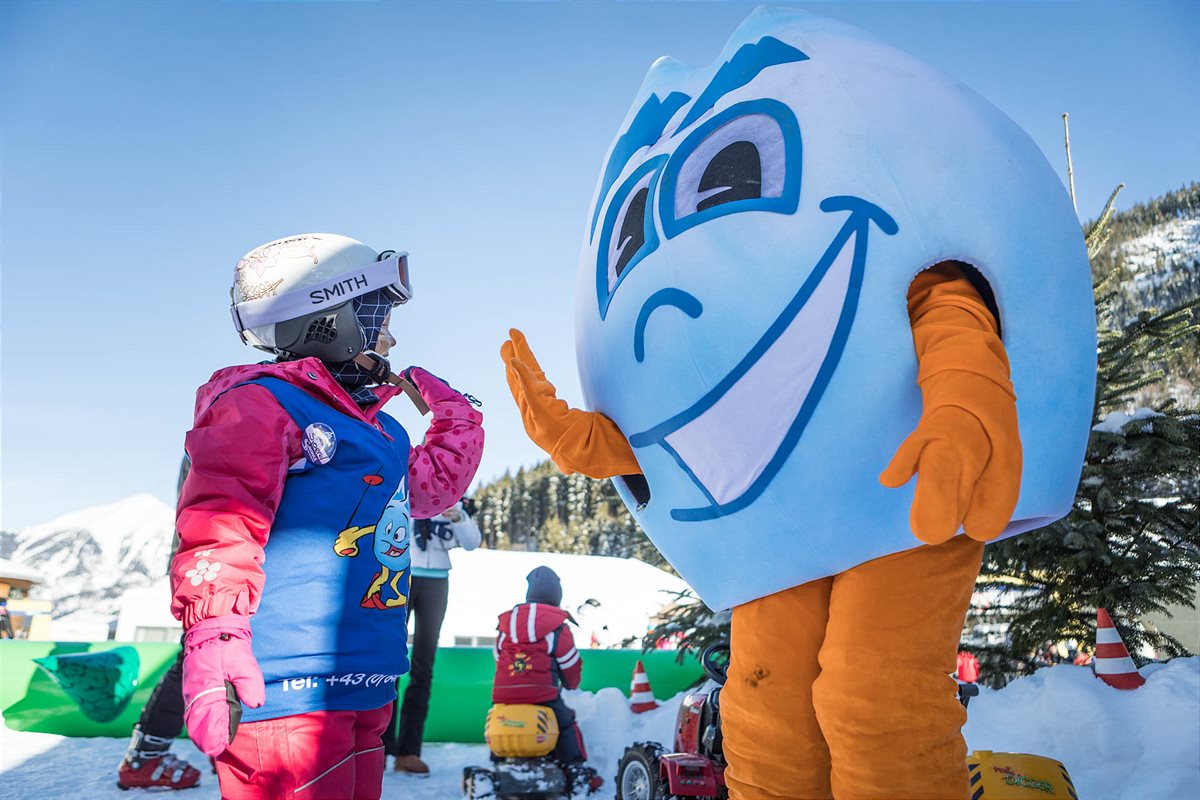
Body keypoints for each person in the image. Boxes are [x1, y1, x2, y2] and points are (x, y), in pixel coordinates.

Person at [171, 233, 484, 800]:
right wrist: (215, 632)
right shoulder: (261, 404)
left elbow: (429, 490)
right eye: (379, 320)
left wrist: (454, 418)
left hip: (368, 676)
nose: (391, 339)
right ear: (329, 320)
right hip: (288, 687)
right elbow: (221, 524)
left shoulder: (381, 429)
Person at [117, 458, 202, 791]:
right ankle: (146, 756)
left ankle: (226, 746)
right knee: (199, 654)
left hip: (213, 555)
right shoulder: (230, 427)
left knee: (209, 655)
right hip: (212, 558)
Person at [386, 498, 482, 776]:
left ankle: (408, 752)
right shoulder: (402, 488)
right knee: (389, 664)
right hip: (399, 574)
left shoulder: (453, 495)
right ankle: (379, 746)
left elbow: (472, 542)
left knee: (423, 667)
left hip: (437, 580)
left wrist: (459, 516)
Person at [492, 566, 600, 796]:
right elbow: (570, 664)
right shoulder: (558, 627)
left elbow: (498, 656)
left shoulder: (507, 624)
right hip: (541, 695)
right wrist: (570, 684)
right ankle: (576, 770)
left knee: (500, 721)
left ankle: (499, 764)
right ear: (557, 596)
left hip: (504, 695)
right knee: (566, 723)